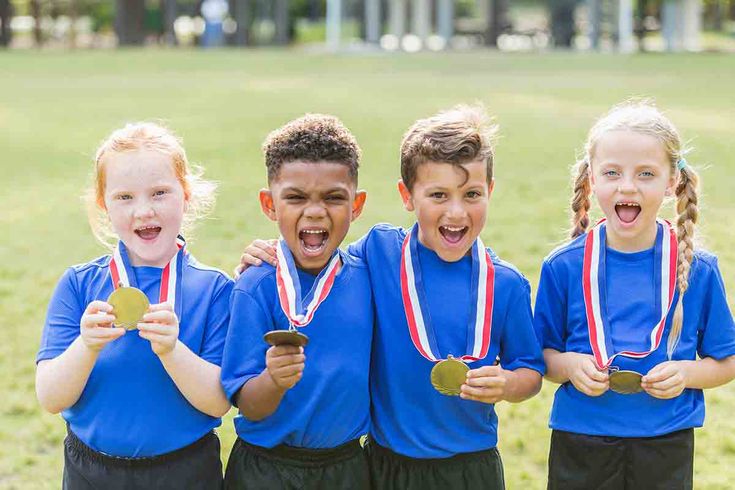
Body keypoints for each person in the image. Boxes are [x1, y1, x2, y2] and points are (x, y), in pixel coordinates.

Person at [237, 105, 544, 489]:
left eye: (471, 194)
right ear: (407, 195)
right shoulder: (380, 252)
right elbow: (320, 260)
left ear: (490, 192)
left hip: (471, 466)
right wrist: (267, 255)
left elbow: (530, 371)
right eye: (438, 194)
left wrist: (508, 384)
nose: (455, 211)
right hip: (385, 466)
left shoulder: (507, 284)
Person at [534, 100, 735, 489]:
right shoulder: (562, 267)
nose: (627, 186)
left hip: (667, 440)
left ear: (672, 182)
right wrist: (571, 366)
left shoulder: (699, 270)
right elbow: (539, 356)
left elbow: (726, 361)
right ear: (592, 179)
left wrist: (688, 372)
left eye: (646, 174)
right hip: (581, 438)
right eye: (612, 172)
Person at [35, 122, 232, 490]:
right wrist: (87, 345)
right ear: (103, 205)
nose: (143, 211)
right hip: (91, 472)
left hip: (186, 471)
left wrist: (172, 351)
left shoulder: (216, 289)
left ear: (185, 195)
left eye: (159, 193)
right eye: (125, 197)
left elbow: (218, 403)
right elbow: (50, 396)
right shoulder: (78, 285)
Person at [221, 114, 372, 489]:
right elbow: (249, 405)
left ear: (357, 205)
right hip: (266, 470)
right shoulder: (253, 286)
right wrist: (273, 379)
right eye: (296, 197)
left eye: (334, 197)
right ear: (270, 204)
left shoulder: (370, 276)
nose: (315, 211)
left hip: (348, 466)